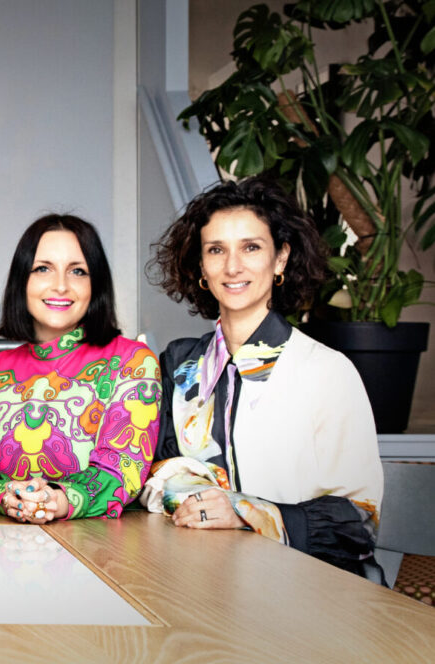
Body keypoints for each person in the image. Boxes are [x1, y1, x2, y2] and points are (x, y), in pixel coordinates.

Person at [145, 177, 383, 577]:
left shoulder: (326, 371)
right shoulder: (180, 364)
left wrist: (243, 510)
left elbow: (357, 520)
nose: (233, 266)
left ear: (281, 259)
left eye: (251, 247)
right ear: (200, 265)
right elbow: (154, 472)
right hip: (201, 579)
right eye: (216, 250)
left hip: (314, 591)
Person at [0, 215, 161, 522]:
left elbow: (123, 468)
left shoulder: (132, 362)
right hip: (3, 548)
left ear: (95, 284)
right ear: (22, 281)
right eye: (43, 269)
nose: (60, 286)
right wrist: (6, 496)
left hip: (103, 553)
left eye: (78, 271)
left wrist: (59, 499)